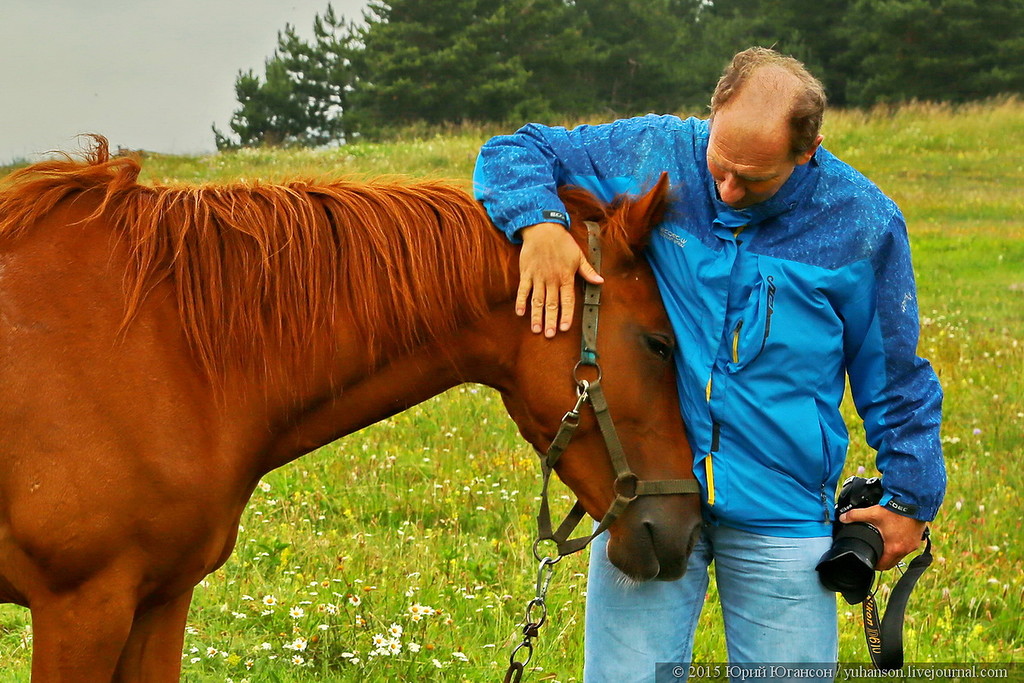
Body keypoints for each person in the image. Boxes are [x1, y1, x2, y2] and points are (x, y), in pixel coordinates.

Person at [472, 47, 945, 681]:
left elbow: (896, 377)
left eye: (752, 179)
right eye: (720, 166)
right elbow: (515, 150)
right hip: (651, 494)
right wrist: (540, 223)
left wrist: (911, 497)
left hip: (785, 513)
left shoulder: (863, 224)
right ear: (712, 114)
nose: (726, 190)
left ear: (809, 150)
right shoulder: (659, 152)